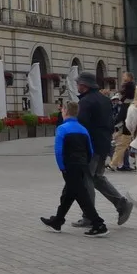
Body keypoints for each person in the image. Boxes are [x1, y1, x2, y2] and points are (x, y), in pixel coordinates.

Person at [40, 101, 108, 236]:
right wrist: (85, 163)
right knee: (68, 194)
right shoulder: (83, 129)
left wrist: (62, 167)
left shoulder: (62, 128)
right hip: (82, 165)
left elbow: (59, 151)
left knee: (81, 196)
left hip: (70, 166)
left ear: (65, 111)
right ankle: (58, 220)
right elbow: (90, 150)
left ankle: (98, 224)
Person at [73, 72, 131, 228]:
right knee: (97, 177)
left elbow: (82, 126)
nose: (77, 86)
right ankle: (122, 204)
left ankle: (89, 216)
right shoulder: (105, 100)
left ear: (84, 85)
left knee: (86, 180)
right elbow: (111, 121)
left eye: (78, 83)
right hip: (103, 145)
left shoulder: (86, 102)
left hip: (90, 146)